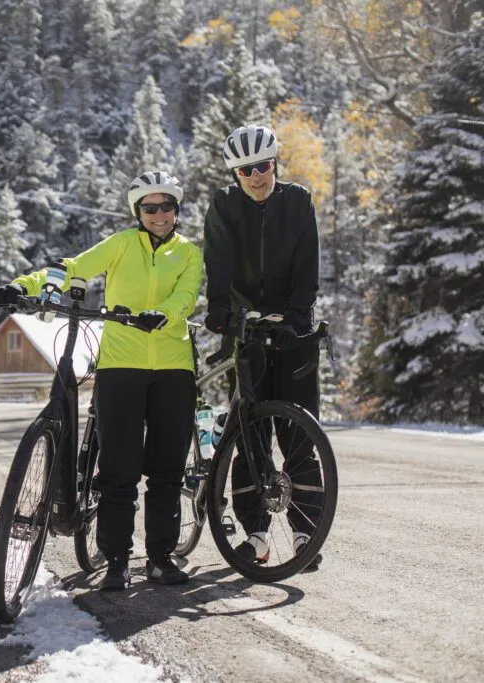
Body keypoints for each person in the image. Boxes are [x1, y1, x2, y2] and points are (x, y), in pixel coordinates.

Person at [0, 171, 203, 589]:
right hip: (121, 366)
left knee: (166, 470)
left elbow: (187, 296)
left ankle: (161, 557)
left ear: (177, 211)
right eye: (149, 208)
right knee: (118, 470)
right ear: (137, 212)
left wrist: (165, 313)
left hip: (174, 369)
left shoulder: (190, 254)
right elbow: (72, 269)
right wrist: (22, 285)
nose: (158, 214)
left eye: (166, 207)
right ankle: (118, 559)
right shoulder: (122, 245)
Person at [202, 124, 324, 569]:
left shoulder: (298, 201)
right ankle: (256, 533)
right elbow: (217, 262)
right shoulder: (225, 206)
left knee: (298, 436)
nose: (256, 176)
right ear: (235, 174)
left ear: (275, 163)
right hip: (246, 330)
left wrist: (296, 318)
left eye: (263, 165)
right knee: (250, 434)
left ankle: (305, 531)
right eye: (245, 170)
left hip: (293, 333)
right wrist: (222, 312)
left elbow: (307, 269)